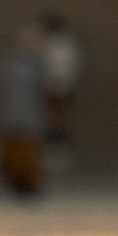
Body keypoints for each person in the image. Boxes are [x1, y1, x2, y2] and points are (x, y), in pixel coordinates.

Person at [0, 20, 50, 200]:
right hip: (12, 115)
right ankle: (14, 183)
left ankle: (29, 184)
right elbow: (3, 90)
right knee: (13, 152)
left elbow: (43, 90)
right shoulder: (11, 63)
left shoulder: (38, 64)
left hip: (32, 116)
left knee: (30, 152)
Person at [38, 11, 82, 156]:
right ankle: (52, 146)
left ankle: (60, 146)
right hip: (52, 86)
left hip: (60, 86)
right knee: (51, 118)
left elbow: (71, 64)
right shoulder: (48, 43)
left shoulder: (65, 44)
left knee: (59, 117)